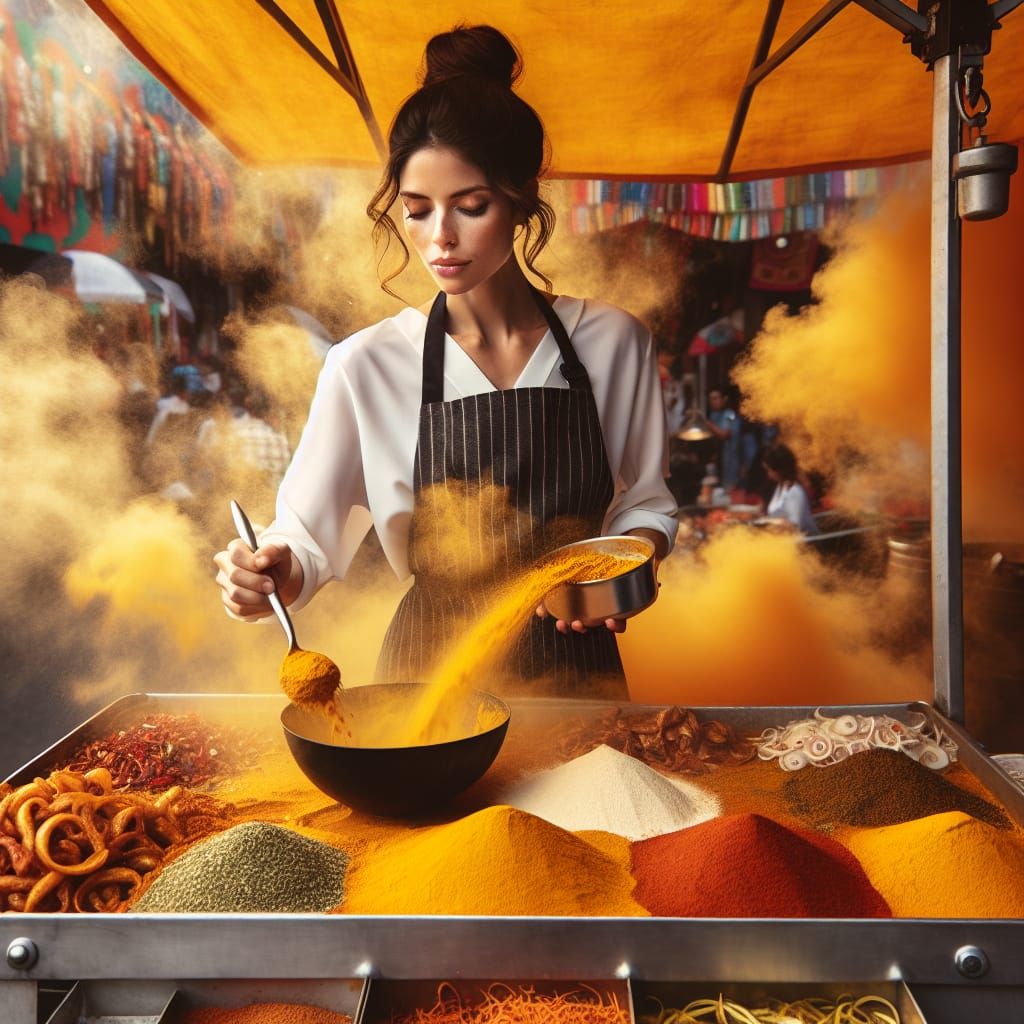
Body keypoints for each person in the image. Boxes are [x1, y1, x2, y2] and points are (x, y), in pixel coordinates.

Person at [213, 25, 678, 697]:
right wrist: (267, 576)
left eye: (471, 207)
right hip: (425, 684)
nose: (442, 240)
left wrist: (625, 576)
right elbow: (309, 542)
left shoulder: (614, 342)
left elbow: (647, 508)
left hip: (577, 678)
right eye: (418, 210)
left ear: (520, 200)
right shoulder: (363, 366)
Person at [762, 442, 819, 536]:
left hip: (802, 545)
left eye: (769, 470)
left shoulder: (795, 492)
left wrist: (765, 525)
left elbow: (794, 528)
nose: (768, 475)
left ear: (779, 470)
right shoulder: (781, 486)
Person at [707, 387, 741, 492]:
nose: (714, 401)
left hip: (731, 459)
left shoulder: (730, 415)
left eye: (716, 398)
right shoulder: (712, 415)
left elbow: (724, 435)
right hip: (718, 459)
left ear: (724, 399)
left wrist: (707, 424)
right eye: (711, 399)